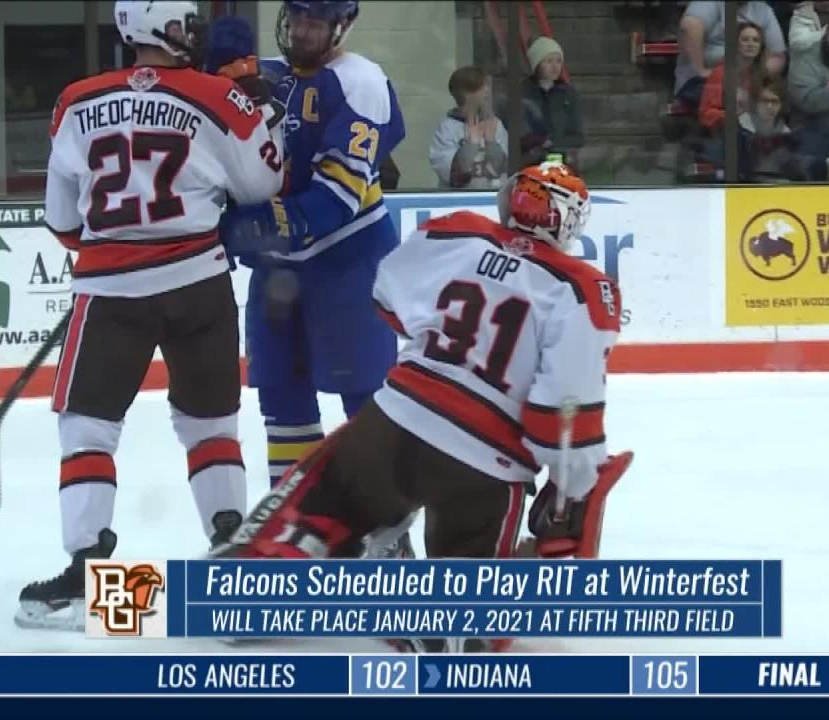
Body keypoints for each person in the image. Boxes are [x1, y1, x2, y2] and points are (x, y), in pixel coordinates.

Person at [212, 163, 632, 653]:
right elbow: (564, 413)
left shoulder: (458, 233)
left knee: (324, 498)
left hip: (393, 422)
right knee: (466, 626)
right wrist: (573, 487)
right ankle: (423, 613)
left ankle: (254, 573)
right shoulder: (583, 288)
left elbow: (389, 294)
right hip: (483, 466)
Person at [18, 2, 284, 630]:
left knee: (86, 431)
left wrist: (120, 240)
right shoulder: (219, 96)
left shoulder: (75, 101)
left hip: (111, 292)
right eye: (179, 22)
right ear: (147, 26)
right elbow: (264, 186)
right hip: (199, 282)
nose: (189, 32)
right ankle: (230, 558)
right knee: (212, 427)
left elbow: (61, 221)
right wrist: (260, 115)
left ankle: (87, 576)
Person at [221, 0, 407, 489]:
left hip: (348, 261)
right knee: (283, 400)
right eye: (296, 18)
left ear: (340, 26)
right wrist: (212, 74)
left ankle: (385, 527)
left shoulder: (361, 81)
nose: (301, 31)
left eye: (315, 22)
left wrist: (248, 226)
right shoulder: (265, 74)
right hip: (277, 271)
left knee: (365, 400)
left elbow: (335, 201)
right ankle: (296, 519)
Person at [674, 1, 787, 112]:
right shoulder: (708, 4)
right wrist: (701, 70)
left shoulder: (763, 10)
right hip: (702, 82)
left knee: (775, 95)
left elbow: (777, 56)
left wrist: (753, 80)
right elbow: (689, 28)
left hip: (747, 82)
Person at [430, 66, 509, 189]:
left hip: (491, 199)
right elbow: (451, 175)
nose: (487, 91)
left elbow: (501, 171)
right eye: (482, 87)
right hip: (457, 201)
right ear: (467, 94)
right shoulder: (448, 128)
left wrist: (491, 142)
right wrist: (471, 145)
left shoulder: (494, 124)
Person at [518, 36, 584, 167]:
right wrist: (537, 142)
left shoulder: (568, 94)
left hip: (561, 162)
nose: (555, 66)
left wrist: (553, 142)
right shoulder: (522, 93)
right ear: (537, 64)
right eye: (548, 61)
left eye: (558, 61)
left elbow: (579, 137)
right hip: (530, 164)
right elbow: (519, 134)